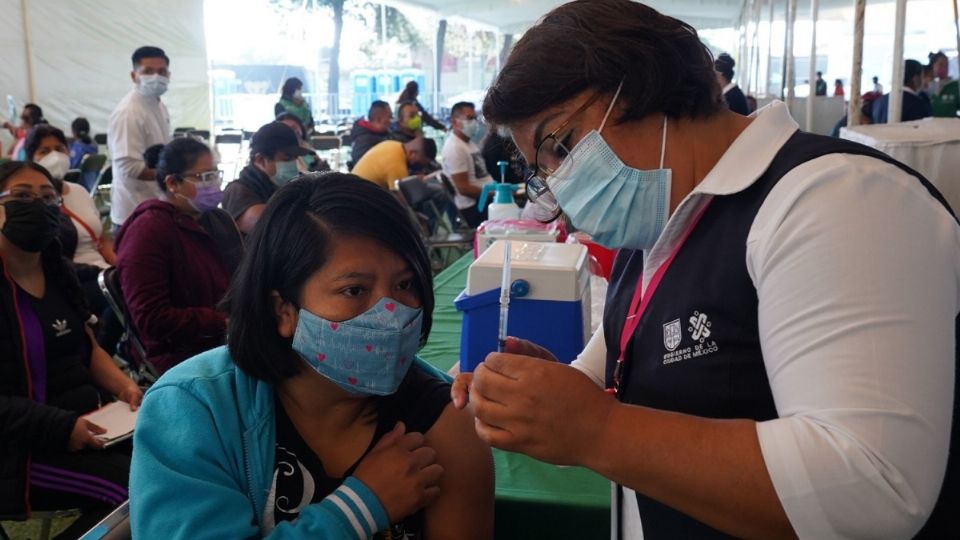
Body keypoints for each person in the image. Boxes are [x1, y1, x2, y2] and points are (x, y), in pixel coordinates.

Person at [452, 1, 959, 538]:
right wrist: (545, 393)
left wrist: (598, 430)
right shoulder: (656, 230)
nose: (557, 184)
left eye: (560, 146)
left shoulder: (837, 201)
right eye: (543, 170)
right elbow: (610, 372)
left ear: (644, 84)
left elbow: (872, 487)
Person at [130, 173, 493, 538]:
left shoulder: (445, 419)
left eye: (404, 284)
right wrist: (359, 509)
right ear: (283, 310)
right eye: (354, 290)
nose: (390, 313)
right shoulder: (194, 410)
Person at [0, 161, 141, 538]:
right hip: (20, 454)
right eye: (22, 196)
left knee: (168, 465)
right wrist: (62, 427)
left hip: (88, 430)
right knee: (138, 493)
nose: (38, 205)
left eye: (48, 197)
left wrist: (124, 387)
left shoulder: (58, 271)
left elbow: (89, 347)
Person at [114, 138, 238, 375]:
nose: (213, 184)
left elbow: (239, 277)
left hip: (222, 339)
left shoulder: (215, 220)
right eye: (204, 177)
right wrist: (222, 321)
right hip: (181, 354)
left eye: (215, 175)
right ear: (173, 183)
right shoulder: (147, 232)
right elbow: (152, 318)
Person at [107, 46, 172, 229]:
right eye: (148, 72)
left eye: (161, 72)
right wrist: (174, 176)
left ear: (169, 75)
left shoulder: (158, 105)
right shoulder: (129, 112)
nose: (156, 77)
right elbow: (130, 167)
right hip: (133, 212)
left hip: (155, 206)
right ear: (134, 76)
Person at [222, 122, 312, 236]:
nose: (293, 164)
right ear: (260, 160)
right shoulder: (237, 191)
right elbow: (273, 226)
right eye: (287, 158)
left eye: (295, 158)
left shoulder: (282, 185)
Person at [441, 102, 495, 227]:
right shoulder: (455, 148)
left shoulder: (468, 144)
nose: (474, 122)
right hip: (474, 207)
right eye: (469, 118)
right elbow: (464, 188)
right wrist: (496, 193)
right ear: (454, 122)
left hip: (485, 199)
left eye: (475, 118)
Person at [351, 137, 429, 191]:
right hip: (360, 201)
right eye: (418, 161)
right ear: (412, 153)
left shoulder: (391, 144)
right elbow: (401, 202)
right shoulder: (397, 166)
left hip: (351, 189)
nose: (417, 164)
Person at [872, 59, 933, 124]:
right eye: (922, 76)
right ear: (915, 78)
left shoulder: (879, 101)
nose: (924, 81)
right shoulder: (919, 105)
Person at [928, 52, 959, 118]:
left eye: (946, 65)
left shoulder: (955, 85)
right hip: (931, 125)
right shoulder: (927, 85)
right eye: (941, 64)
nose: (944, 68)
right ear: (933, 66)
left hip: (949, 125)